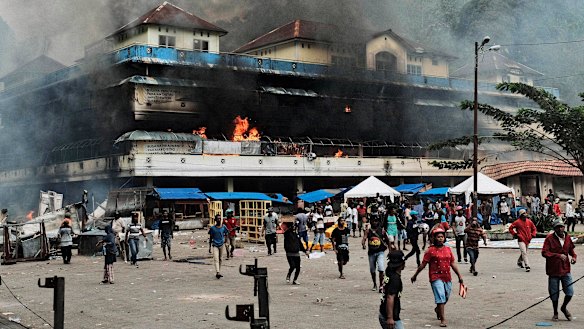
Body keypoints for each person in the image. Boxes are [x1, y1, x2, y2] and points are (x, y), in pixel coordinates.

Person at [411, 227, 463, 328]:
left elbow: (452, 263)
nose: (440, 239)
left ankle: (438, 309)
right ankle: (443, 319)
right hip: (435, 277)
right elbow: (423, 264)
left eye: (442, 237)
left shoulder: (448, 249)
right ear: (434, 238)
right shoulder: (430, 251)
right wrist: (415, 275)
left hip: (447, 276)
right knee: (441, 297)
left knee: (446, 296)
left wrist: (459, 276)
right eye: (438, 237)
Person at [542, 220, 577, 322]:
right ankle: (555, 312)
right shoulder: (549, 238)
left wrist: (574, 258)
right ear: (555, 229)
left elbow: (572, 252)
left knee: (570, 292)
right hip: (553, 270)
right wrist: (557, 255)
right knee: (554, 293)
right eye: (558, 227)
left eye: (562, 226)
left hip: (565, 269)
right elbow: (544, 252)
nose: (561, 229)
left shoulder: (567, 238)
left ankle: (563, 307)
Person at [362, 216, 390, 291]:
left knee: (381, 268)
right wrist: (363, 244)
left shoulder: (382, 231)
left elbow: (387, 240)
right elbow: (364, 237)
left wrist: (390, 251)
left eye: (376, 221)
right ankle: (374, 284)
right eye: (373, 221)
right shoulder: (368, 231)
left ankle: (381, 285)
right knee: (372, 270)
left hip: (380, 252)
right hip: (371, 253)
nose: (375, 222)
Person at [379, 250, 406, 329]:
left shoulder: (389, 271)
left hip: (383, 311)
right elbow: (390, 297)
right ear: (402, 264)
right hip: (390, 316)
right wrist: (390, 318)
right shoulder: (395, 279)